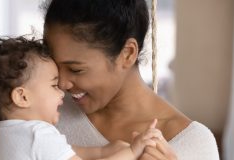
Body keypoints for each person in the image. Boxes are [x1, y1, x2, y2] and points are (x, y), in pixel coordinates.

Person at [43, 0, 220, 159]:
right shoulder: (44, 112)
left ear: (127, 53)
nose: (61, 83)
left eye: (76, 69)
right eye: (55, 65)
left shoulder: (192, 143)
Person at [0, 36, 164, 160]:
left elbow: (68, 151)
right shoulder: (38, 134)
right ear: (22, 96)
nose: (62, 91)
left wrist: (107, 150)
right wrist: (132, 152)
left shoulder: (9, 135)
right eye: (53, 85)